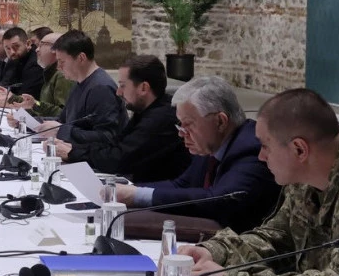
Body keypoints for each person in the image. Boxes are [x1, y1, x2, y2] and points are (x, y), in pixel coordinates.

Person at [178, 89, 339, 276]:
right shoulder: (303, 177)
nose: (261, 156)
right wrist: (216, 251)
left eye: (266, 146)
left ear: (299, 149)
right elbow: (276, 238)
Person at [114, 75, 280, 233]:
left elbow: (219, 200)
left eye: (188, 125)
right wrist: (131, 190)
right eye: (180, 125)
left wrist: (137, 196)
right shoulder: (212, 143)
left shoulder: (251, 149)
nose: (181, 134)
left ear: (220, 121)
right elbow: (182, 185)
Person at [50, 55, 191, 182]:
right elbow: (115, 145)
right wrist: (73, 148)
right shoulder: (145, 110)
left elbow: (118, 159)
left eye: (123, 85)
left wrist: (72, 153)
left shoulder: (160, 118)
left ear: (143, 88)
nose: (118, 92)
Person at [35, 30, 126, 144]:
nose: (58, 67)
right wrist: (31, 122)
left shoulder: (101, 88)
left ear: (81, 58)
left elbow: (106, 137)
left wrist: (61, 131)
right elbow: (63, 120)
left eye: (61, 61)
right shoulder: (79, 82)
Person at [10, 31, 74, 118]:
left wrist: (35, 105)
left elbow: (63, 114)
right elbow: (42, 107)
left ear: (56, 48)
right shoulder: (49, 73)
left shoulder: (62, 75)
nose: (36, 49)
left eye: (41, 45)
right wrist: (23, 116)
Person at [0, 27, 44, 104]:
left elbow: (27, 100)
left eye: (16, 47)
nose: (12, 52)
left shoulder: (35, 63)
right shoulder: (13, 59)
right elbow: (4, 86)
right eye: (8, 48)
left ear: (28, 44)